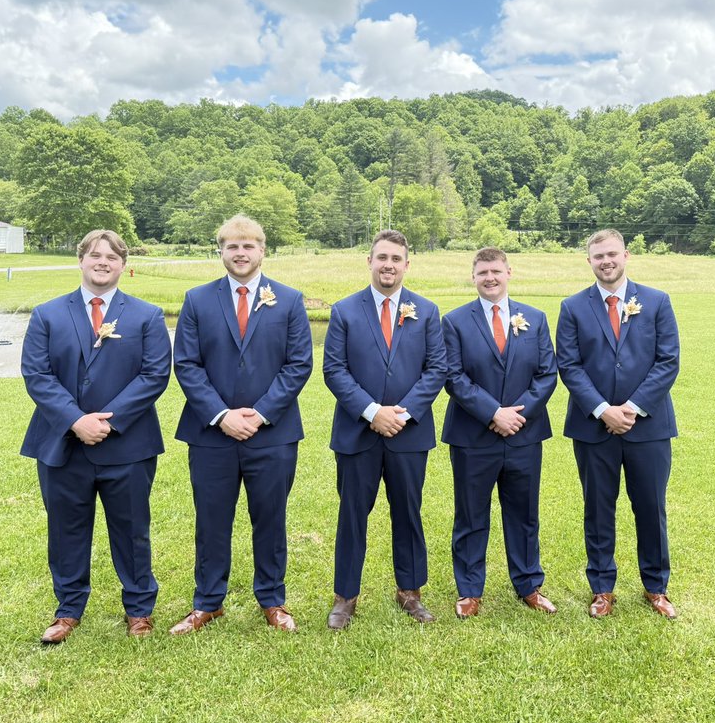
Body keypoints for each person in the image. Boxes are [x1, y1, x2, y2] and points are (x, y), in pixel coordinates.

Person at [21, 229, 171, 644]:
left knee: (132, 528)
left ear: (124, 265)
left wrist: (108, 421)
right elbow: (37, 375)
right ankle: (68, 610)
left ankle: (139, 610)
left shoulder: (147, 316)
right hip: (62, 444)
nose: (102, 262)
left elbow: (155, 374)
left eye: (111, 257)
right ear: (81, 260)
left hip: (128, 445)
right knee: (66, 529)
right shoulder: (47, 314)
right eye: (94, 255)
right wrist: (75, 420)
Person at [170, 214, 312, 634]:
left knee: (270, 517)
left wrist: (261, 413)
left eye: (248, 245)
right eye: (232, 246)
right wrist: (222, 415)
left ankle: (272, 600)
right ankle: (208, 602)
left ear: (262, 250)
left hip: (273, 434)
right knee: (211, 518)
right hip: (211, 433)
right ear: (221, 251)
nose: (241, 253)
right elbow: (188, 365)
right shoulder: (197, 300)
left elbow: (299, 364)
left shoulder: (288, 300)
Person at [322, 230, 446, 629]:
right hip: (358, 433)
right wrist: (372, 412)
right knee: (353, 514)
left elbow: (436, 370)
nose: (388, 265)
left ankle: (410, 592)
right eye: (382, 258)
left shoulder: (426, 311)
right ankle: (346, 597)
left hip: (409, 435)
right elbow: (335, 370)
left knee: (408, 512)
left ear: (407, 265)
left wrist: (402, 413)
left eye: (396, 258)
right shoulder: (344, 311)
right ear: (369, 262)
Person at [556, 229, 681, 620]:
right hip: (593, 429)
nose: (606, 261)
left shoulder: (657, 301)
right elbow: (570, 366)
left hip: (649, 427)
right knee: (597, 508)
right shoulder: (573, 307)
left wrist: (631, 407)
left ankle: (656, 587)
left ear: (626, 255)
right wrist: (601, 409)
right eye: (598, 256)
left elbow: (668, 360)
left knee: (650, 507)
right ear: (589, 261)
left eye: (612, 254)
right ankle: (602, 588)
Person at [441, 248, 558, 619]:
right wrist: (493, 413)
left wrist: (516, 415)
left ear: (509, 272)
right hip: (473, 436)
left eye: (496, 271)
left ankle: (529, 584)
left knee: (524, 513)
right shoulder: (455, 321)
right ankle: (470, 589)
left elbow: (546, 374)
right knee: (471, 514)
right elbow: (453, 377)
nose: (489, 278)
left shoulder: (535, 318)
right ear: (472, 277)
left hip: (524, 433)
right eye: (482, 272)